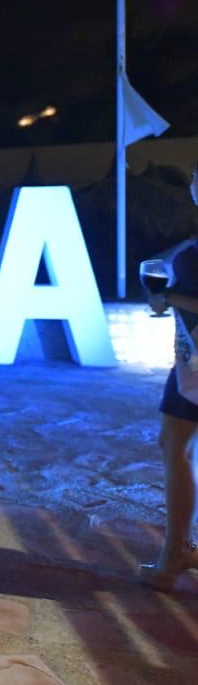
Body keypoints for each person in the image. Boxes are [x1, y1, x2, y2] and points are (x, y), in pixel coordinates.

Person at [141, 167, 198, 590]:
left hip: (195, 365)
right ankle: (175, 551)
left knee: (175, 446)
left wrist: (169, 297)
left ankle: (175, 553)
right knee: (174, 444)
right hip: (190, 360)